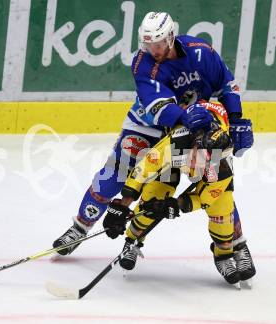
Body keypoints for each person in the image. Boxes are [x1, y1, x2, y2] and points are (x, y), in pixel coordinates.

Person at [52, 12, 253, 258]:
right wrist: (184, 115)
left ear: (170, 36)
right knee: (114, 175)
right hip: (148, 126)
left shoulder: (200, 52)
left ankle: (237, 244)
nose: (153, 50)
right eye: (147, 44)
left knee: (216, 179)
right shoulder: (143, 63)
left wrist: (235, 119)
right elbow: (158, 107)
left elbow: (227, 84)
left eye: (157, 44)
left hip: (189, 128)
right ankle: (79, 227)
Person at [102, 101, 256, 287]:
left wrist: (177, 205)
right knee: (152, 199)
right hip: (178, 154)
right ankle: (132, 240)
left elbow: (205, 199)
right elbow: (144, 169)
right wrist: (122, 205)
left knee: (222, 210)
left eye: (210, 162)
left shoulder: (221, 163)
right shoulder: (176, 141)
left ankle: (223, 255)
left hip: (205, 147)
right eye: (198, 159)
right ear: (194, 144)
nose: (199, 167)